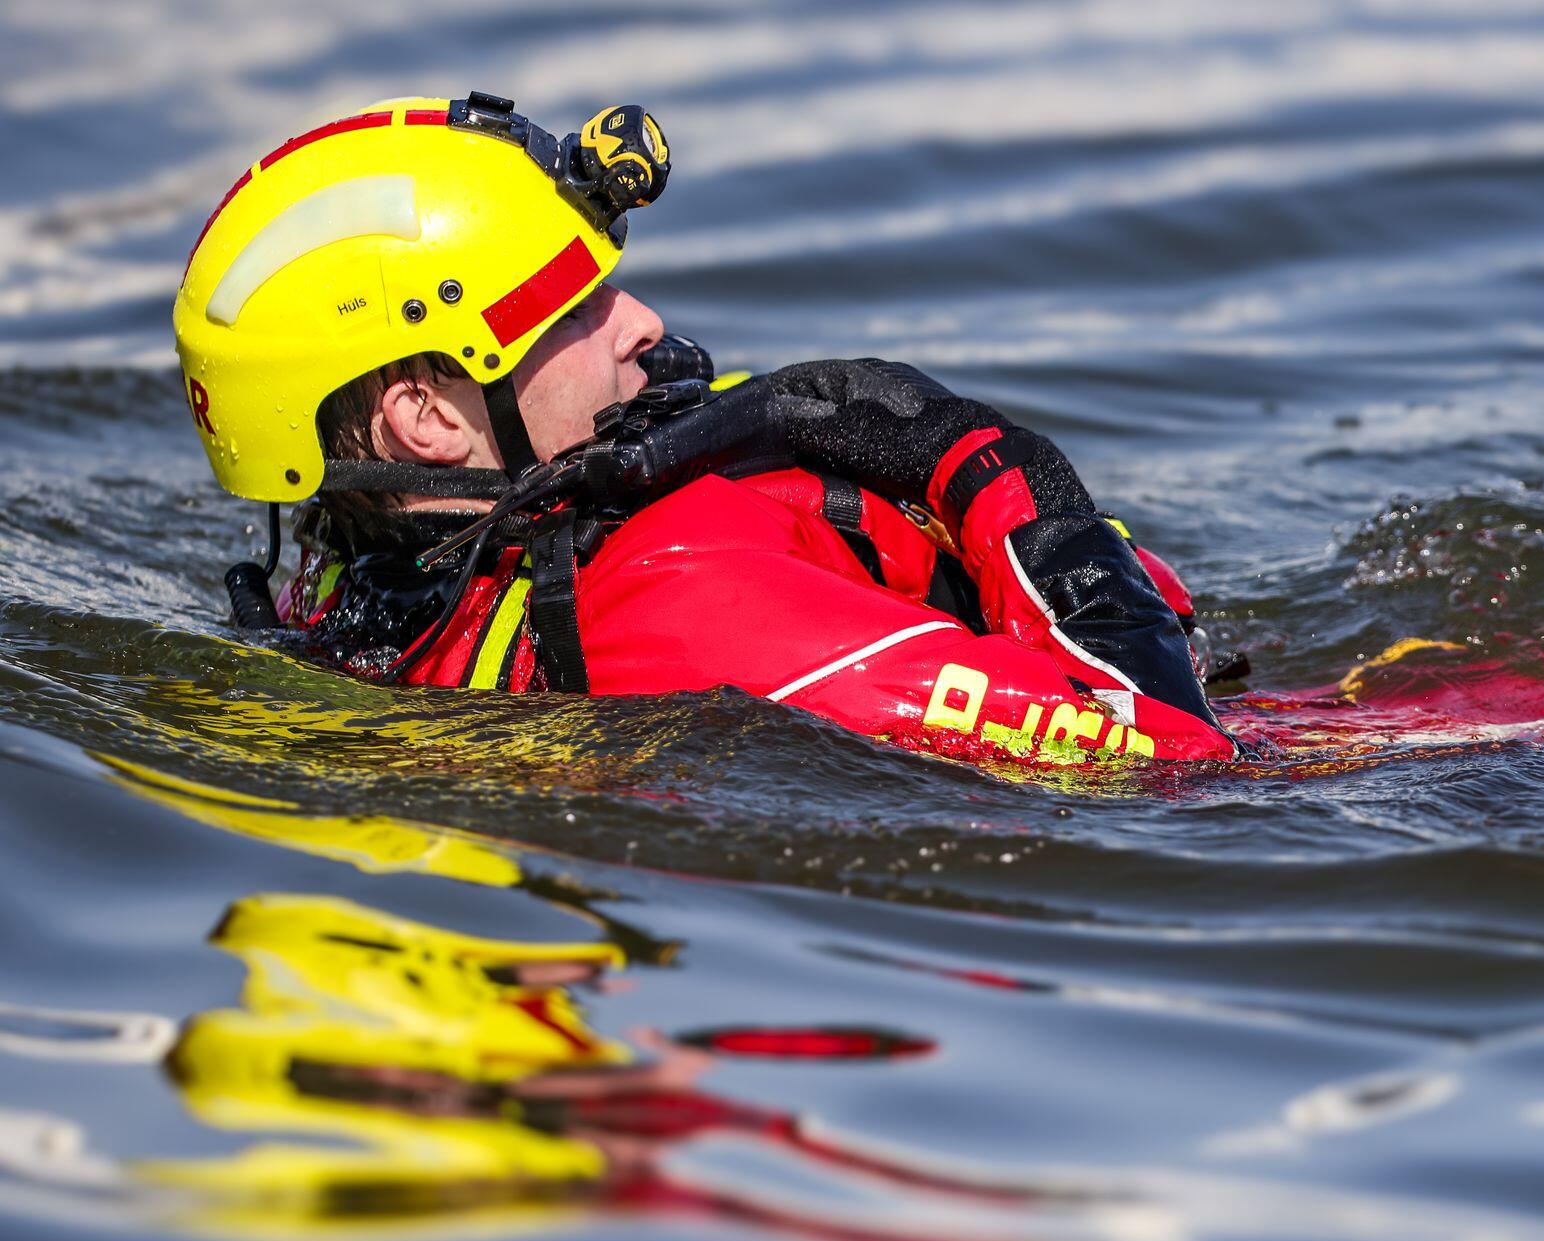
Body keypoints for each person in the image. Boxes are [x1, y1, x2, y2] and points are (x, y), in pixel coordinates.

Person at [172, 94, 1234, 763]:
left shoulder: (340, 579)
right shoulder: (683, 597)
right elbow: (1167, 751)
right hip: (1293, 747)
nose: (642, 323)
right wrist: (981, 461)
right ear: (428, 419)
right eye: (574, 312)